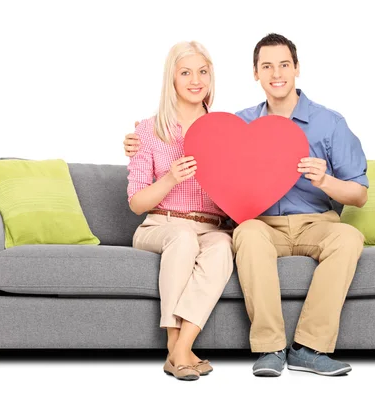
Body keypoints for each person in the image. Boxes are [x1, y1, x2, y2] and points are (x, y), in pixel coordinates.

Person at [124, 33, 368, 377]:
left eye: (284, 64)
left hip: (315, 222)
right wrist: (138, 138)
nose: (277, 73)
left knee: (348, 238)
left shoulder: (330, 123)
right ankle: (267, 348)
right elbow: (203, 151)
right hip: (259, 224)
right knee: (245, 234)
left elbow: (359, 194)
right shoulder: (237, 123)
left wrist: (325, 181)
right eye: (266, 66)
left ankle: (310, 349)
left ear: (297, 68)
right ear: (256, 73)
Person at [126, 40, 234, 381]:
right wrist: (171, 177)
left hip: (213, 227)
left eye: (202, 72)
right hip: (161, 224)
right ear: (171, 79)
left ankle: (180, 349)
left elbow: (237, 192)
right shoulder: (149, 129)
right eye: (185, 72)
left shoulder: (224, 129)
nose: (195, 80)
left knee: (221, 249)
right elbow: (136, 203)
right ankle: (176, 346)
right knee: (184, 237)